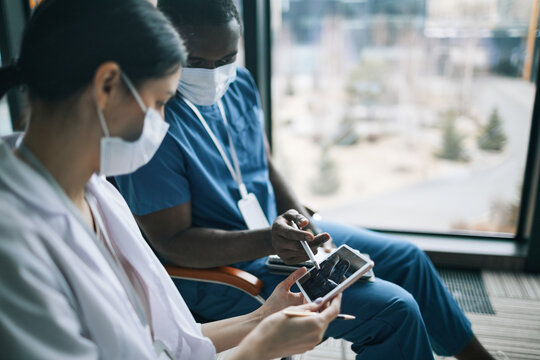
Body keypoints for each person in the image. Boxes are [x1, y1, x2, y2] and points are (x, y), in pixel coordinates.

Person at [116, 0, 498, 359]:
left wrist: (303, 222)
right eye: (196, 61)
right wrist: (270, 239)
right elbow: (173, 244)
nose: (215, 74)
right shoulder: (153, 123)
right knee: (395, 309)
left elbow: (262, 163)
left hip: (275, 237)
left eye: (227, 58)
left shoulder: (240, 84)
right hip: (221, 270)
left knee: (410, 260)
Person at [0, 0, 342, 359]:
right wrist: (256, 351)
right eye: (161, 101)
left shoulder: (98, 194)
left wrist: (263, 317)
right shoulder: (14, 243)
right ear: (107, 87)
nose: (162, 122)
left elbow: (168, 342)